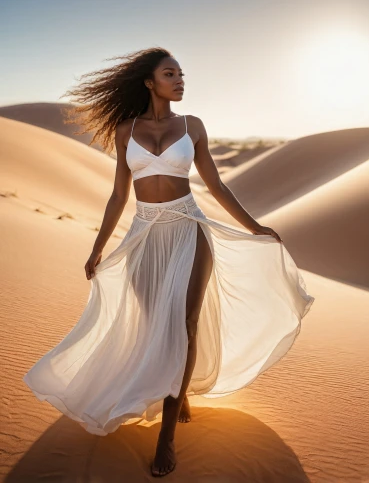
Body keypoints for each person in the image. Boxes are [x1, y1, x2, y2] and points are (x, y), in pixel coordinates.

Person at [23, 47, 315, 478]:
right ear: (149, 82)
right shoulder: (126, 130)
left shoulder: (191, 126)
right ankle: (181, 390)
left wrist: (254, 226)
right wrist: (97, 247)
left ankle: (167, 440)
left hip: (188, 228)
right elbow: (119, 195)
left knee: (185, 324)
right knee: (152, 324)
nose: (179, 81)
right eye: (170, 74)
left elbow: (214, 184)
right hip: (144, 236)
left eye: (181, 74)